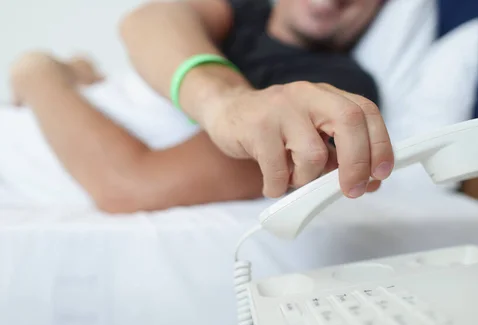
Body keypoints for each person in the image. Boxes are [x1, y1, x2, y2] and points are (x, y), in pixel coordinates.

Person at [8, 0, 395, 213]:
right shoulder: (239, 13)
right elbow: (146, 20)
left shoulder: (341, 94)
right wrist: (226, 103)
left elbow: (129, 186)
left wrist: (38, 72)